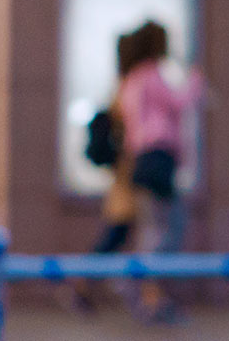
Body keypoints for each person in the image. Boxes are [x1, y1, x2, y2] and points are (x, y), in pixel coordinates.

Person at [118, 21, 202, 323]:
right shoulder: (150, 76)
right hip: (157, 159)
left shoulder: (132, 79)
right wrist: (195, 82)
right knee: (166, 230)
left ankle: (145, 293)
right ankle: (143, 291)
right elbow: (178, 103)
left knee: (155, 230)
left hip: (144, 160)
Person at [66, 32, 141, 316]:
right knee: (115, 234)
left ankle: (93, 286)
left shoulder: (123, 85)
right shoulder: (128, 87)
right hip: (126, 175)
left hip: (124, 175)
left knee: (118, 234)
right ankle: (83, 285)